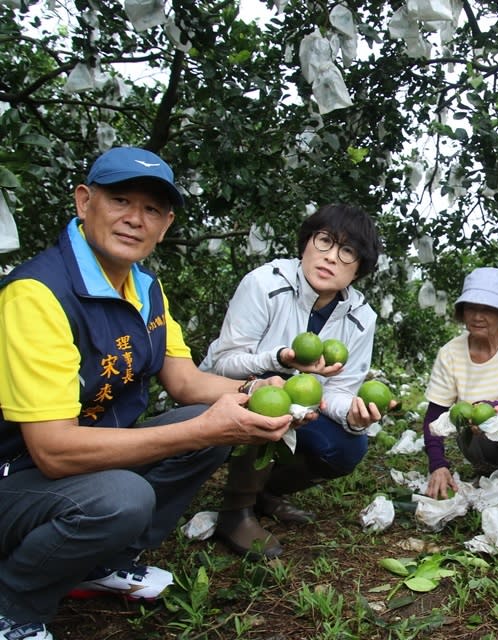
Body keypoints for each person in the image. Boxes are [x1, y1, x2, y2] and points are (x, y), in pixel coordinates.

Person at [0, 147, 296, 640]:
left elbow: (186, 382)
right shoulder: (38, 295)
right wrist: (200, 427)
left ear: (165, 224)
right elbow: (53, 452)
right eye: (120, 201)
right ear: (83, 201)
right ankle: (14, 604)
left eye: (152, 210)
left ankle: (103, 563)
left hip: (81, 463)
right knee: (124, 496)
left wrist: (253, 388)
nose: (135, 219)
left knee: (208, 426)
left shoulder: (144, 289)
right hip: (19, 474)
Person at [200, 203, 385, 558]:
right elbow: (223, 364)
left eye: (347, 251)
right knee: (272, 393)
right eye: (325, 241)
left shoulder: (361, 318)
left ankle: (265, 493)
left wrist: (355, 415)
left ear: (359, 269)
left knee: (347, 448)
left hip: (303, 406)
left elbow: (340, 390)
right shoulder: (265, 284)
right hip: (228, 394)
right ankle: (236, 511)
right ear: (305, 243)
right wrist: (281, 360)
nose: (331, 257)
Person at [422, 267, 498, 499]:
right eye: (471, 308)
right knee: (470, 431)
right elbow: (434, 416)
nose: (477, 316)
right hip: (477, 442)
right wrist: (437, 464)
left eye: (488, 309)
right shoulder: (450, 353)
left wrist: (485, 407)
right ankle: (487, 469)